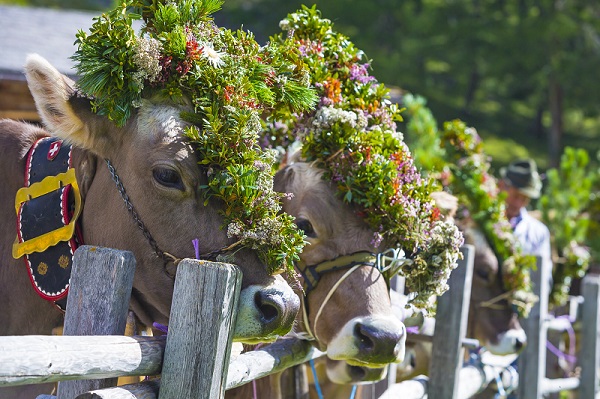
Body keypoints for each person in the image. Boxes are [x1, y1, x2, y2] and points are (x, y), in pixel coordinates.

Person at [498, 158, 552, 282]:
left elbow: (544, 279)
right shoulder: (482, 220)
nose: (518, 203)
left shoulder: (539, 232)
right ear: (502, 185)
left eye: (525, 199)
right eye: (515, 195)